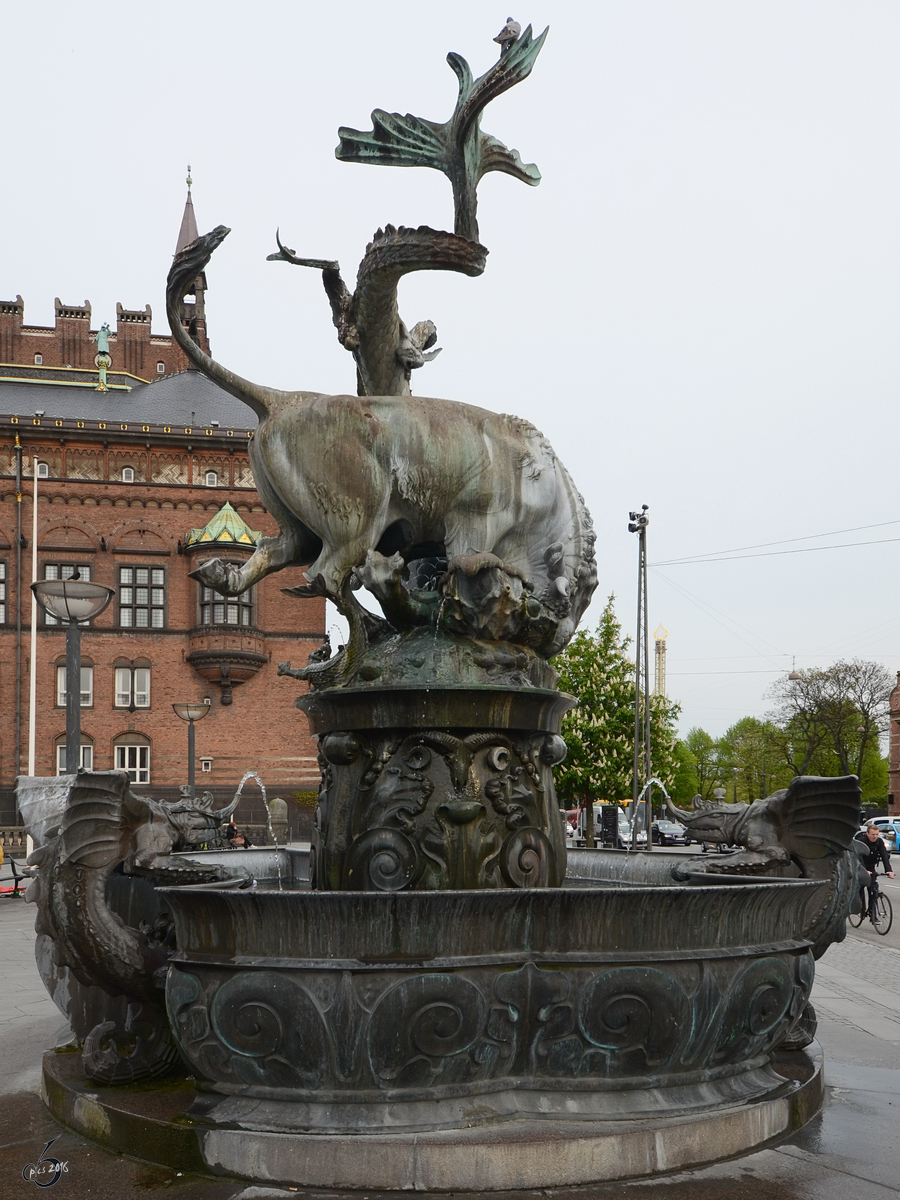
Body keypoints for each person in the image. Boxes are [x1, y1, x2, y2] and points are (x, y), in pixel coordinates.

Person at [853, 822, 894, 916]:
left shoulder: (879, 842)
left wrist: (889, 870)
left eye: (876, 834)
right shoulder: (861, 841)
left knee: (873, 889)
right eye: (872, 834)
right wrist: (864, 870)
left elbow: (884, 856)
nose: (874, 837)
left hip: (871, 867)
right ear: (867, 833)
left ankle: (872, 913)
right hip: (860, 866)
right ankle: (860, 908)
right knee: (860, 888)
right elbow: (858, 857)